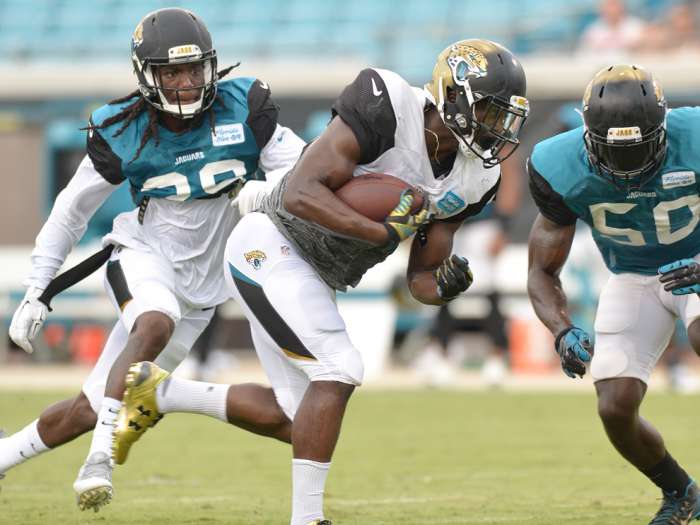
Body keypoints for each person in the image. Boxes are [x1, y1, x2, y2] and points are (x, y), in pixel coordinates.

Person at [115, 39, 529, 525]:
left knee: (299, 418)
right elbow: (300, 192)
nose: (497, 129)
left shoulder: (474, 179)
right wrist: (378, 232)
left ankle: (161, 393)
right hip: (270, 242)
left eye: (506, 118)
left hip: (315, 272)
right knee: (340, 367)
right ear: (452, 97)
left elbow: (419, 279)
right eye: (489, 112)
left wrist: (446, 286)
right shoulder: (388, 104)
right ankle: (307, 519)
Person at [2, 7, 304, 512]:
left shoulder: (243, 107)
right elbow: (70, 213)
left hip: (205, 291)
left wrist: (265, 190)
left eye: (192, 70)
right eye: (170, 73)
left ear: (211, 67)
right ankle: (99, 458)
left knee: (92, 404)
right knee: (155, 322)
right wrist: (38, 287)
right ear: (148, 76)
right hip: (143, 257)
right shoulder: (124, 129)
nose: (185, 84)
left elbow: (303, 172)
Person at [527, 64, 700, 524]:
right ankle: (681, 492)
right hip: (633, 276)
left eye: (640, 148)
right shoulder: (557, 164)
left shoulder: (697, 136)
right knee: (615, 404)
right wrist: (561, 330)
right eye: (613, 151)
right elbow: (542, 271)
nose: (626, 166)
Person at [577, 0, 646, 58]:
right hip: (602, 68)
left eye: (615, 5)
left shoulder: (636, 27)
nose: (612, 10)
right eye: (609, 6)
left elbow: (646, 53)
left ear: (622, 7)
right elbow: (583, 54)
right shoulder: (593, 30)